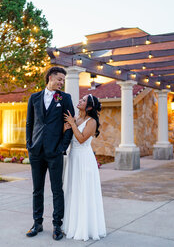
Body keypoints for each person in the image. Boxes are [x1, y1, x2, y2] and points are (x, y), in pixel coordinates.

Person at [25, 66, 75, 241]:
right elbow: (30, 123)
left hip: (55, 152)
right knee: (37, 190)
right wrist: (29, 144)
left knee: (56, 190)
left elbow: (70, 124)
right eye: (59, 79)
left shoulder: (65, 98)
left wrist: (62, 147)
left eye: (63, 80)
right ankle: (37, 223)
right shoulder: (34, 97)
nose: (62, 83)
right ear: (50, 78)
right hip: (36, 151)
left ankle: (57, 225)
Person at [62, 94, 106, 241]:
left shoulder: (91, 121)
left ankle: (85, 227)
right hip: (73, 157)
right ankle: (71, 225)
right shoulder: (76, 118)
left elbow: (81, 139)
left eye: (83, 100)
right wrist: (66, 127)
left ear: (89, 107)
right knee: (72, 190)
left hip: (84, 160)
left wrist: (72, 124)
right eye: (80, 99)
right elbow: (68, 138)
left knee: (83, 191)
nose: (79, 101)